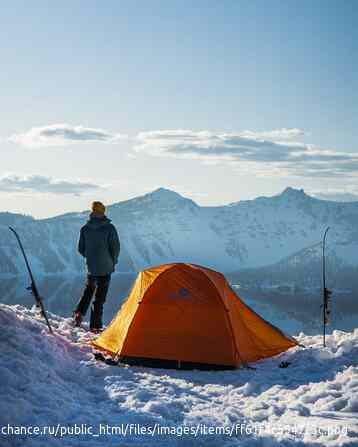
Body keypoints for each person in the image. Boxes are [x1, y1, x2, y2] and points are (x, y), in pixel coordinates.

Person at [73, 201, 120, 332]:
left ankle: (78, 313)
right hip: (106, 268)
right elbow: (115, 248)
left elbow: (80, 249)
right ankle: (95, 326)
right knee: (99, 298)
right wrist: (112, 262)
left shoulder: (85, 228)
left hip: (91, 267)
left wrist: (90, 258)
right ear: (103, 212)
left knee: (88, 291)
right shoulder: (109, 228)